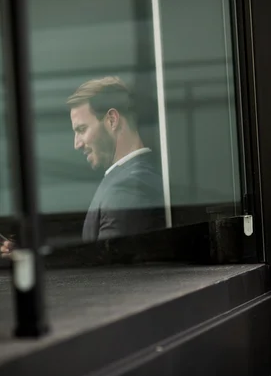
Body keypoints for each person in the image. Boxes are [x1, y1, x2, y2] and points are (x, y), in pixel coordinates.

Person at [1, 76, 165, 254]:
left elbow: (108, 271)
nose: (76, 144)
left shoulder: (128, 188)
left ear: (112, 120)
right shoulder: (130, 179)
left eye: (81, 129)